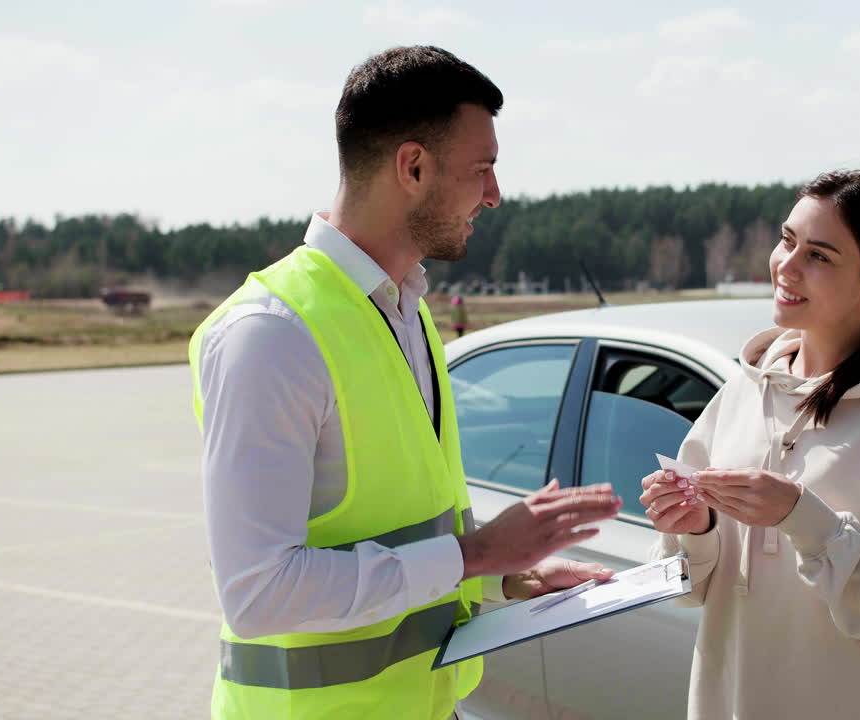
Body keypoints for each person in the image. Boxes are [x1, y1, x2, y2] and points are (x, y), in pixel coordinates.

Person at [188, 46, 622, 720]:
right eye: (482, 170)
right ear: (412, 167)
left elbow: (409, 532)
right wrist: (474, 553)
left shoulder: (407, 309)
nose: (495, 195)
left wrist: (504, 576)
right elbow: (258, 592)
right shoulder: (270, 335)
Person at [639, 170, 860, 719]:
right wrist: (693, 530)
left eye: (819, 255)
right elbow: (684, 589)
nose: (785, 267)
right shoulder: (743, 392)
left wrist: (802, 518)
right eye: (787, 240)